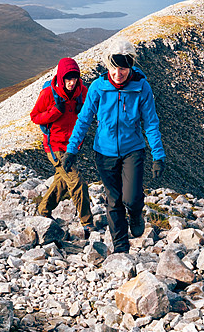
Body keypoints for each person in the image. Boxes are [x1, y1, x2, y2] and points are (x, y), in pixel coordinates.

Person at [61, 39, 165, 253]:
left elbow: (151, 122)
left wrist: (158, 155)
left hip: (133, 150)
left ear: (131, 65)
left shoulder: (141, 87)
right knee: (113, 200)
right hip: (104, 152)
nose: (119, 73)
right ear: (107, 64)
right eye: (114, 67)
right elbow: (84, 119)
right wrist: (72, 150)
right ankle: (121, 248)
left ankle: (136, 213)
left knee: (132, 197)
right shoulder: (98, 88)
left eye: (124, 68)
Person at [30, 57, 93, 235]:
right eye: (68, 79)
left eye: (74, 79)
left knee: (63, 181)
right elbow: (35, 116)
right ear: (61, 77)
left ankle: (43, 210)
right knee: (77, 182)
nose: (71, 83)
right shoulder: (49, 93)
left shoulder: (82, 92)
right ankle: (87, 223)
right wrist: (55, 111)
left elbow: (87, 114)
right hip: (54, 145)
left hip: (72, 145)